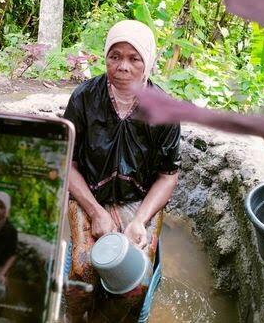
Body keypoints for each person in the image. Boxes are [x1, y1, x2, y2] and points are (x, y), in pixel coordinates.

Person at [63, 20, 181, 322]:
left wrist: (140, 220)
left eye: (134, 58)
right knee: (81, 273)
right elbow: (68, 163)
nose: (123, 66)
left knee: (134, 280)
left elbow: (168, 176)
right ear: (105, 57)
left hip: (138, 201)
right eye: (115, 56)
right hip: (90, 194)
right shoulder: (84, 99)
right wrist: (95, 211)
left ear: (148, 62)